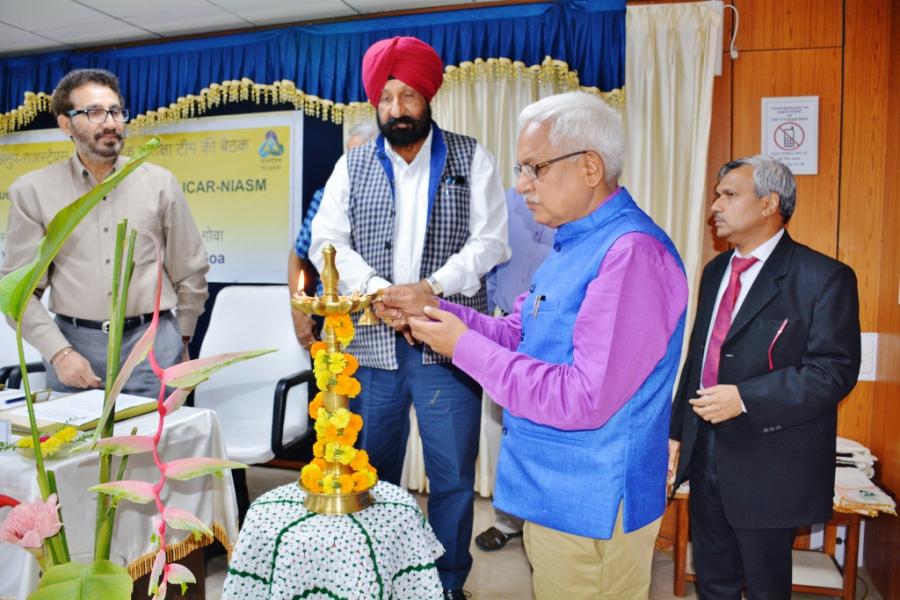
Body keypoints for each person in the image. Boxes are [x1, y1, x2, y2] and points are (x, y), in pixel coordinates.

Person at [381, 91, 688, 599]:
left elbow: (583, 396)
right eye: (521, 169)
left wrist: (463, 346)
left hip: (591, 501)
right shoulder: (575, 243)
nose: (522, 185)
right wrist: (433, 311)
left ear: (590, 167)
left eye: (535, 168)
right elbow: (520, 334)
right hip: (556, 491)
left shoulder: (630, 253)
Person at [309, 36, 509, 599]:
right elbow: (327, 241)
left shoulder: (471, 157)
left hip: (448, 342)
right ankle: (380, 580)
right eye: (387, 97)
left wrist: (430, 290)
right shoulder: (352, 164)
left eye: (408, 96)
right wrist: (378, 291)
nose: (396, 108)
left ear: (428, 98)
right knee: (372, 473)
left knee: (452, 478)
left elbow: (491, 241)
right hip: (373, 345)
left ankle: (446, 585)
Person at [668, 156, 861, 599]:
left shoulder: (823, 277)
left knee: (765, 587)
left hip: (769, 461)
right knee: (713, 580)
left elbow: (833, 371)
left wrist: (745, 397)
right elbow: (699, 357)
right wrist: (677, 432)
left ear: (769, 203)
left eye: (729, 195)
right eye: (716, 195)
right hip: (705, 450)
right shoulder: (715, 271)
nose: (715, 206)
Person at [1, 69, 208, 397]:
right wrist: (59, 353)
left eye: (115, 111)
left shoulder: (159, 183)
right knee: (77, 433)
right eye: (94, 112)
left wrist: (182, 338)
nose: (110, 122)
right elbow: (19, 296)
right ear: (66, 124)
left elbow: (190, 269)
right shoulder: (34, 192)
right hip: (75, 350)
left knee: (155, 432)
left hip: (153, 345)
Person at [475, 187, 554, 553]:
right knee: (502, 426)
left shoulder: (573, 206)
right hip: (506, 326)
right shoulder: (506, 201)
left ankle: (543, 519)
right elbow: (491, 265)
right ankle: (507, 520)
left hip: (550, 334)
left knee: (541, 428)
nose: (527, 178)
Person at [288, 120, 378, 348]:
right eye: (348, 156)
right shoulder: (325, 196)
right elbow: (297, 255)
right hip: (338, 320)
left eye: (359, 155)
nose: (351, 163)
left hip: (383, 315)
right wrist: (298, 313)